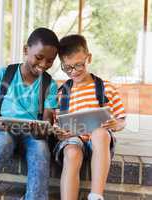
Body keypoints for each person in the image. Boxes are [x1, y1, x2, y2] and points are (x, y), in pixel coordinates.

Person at [0, 27, 60, 200]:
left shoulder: (49, 84)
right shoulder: (5, 74)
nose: (43, 65)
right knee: (2, 142)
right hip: (4, 129)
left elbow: (47, 117)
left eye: (50, 61)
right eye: (39, 57)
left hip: (32, 134)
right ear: (26, 50)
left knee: (41, 149)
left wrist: (44, 128)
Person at [54, 34, 126, 200]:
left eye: (79, 65)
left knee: (100, 133)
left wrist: (115, 124)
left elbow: (121, 120)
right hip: (73, 139)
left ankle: (95, 195)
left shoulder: (106, 88)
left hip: (98, 143)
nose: (74, 72)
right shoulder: (61, 93)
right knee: (71, 152)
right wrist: (59, 132)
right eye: (67, 68)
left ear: (89, 58)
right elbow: (57, 124)